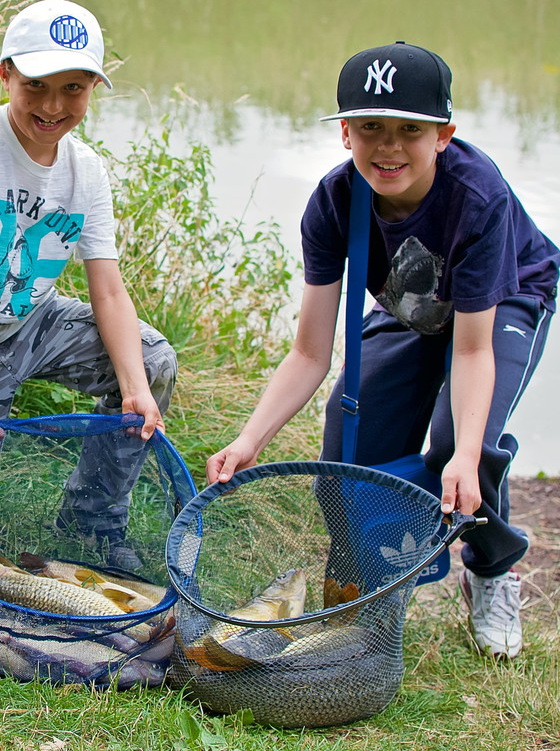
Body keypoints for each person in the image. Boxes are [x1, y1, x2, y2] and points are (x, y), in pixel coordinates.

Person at [206, 42, 559, 658]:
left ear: (443, 136)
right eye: (370, 127)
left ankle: (491, 566)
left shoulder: (479, 200)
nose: (388, 146)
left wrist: (464, 453)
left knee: (461, 444)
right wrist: (249, 440)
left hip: (503, 300)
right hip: (414, 299)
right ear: (345, 132)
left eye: (409, 130)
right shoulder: (335, 202)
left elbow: (472, 353)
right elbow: (310, 353)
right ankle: (373, 580)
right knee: (349, 451)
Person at [0, 0, 177, 570]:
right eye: (37, 85)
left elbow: (109, 290)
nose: (53, 105)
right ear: (5, 74)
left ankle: (93, 522)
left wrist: (135, 387)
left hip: (31, 319)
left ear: (94, 87)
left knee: (152, 361)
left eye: (73, 88)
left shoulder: (87, 171)